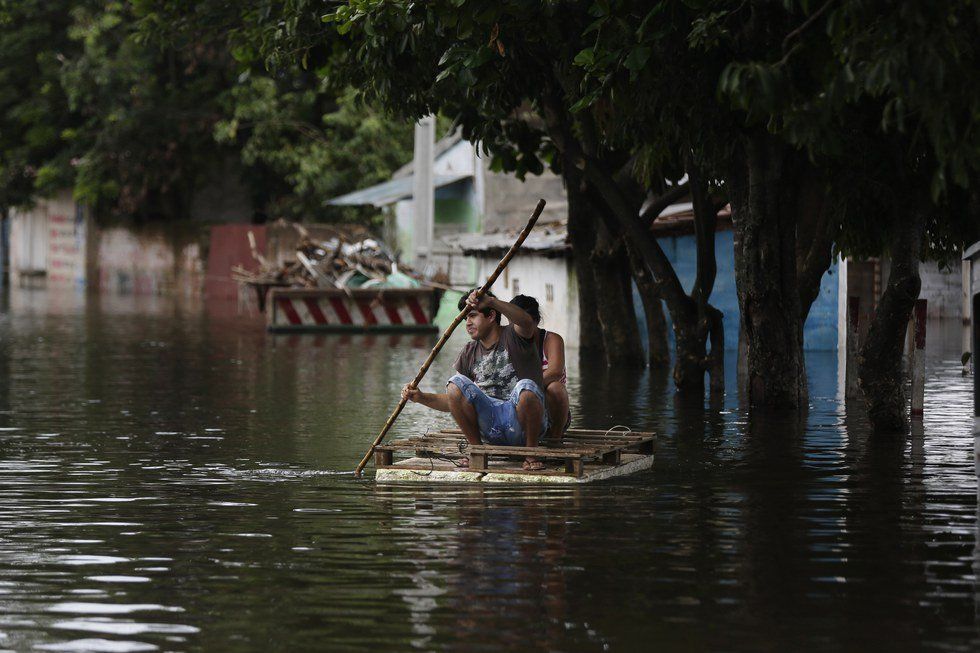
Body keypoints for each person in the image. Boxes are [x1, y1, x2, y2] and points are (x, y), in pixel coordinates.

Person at [401, 289, 549, 470]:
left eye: (472, 316)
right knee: (455, 384)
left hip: (524, 424)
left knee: (526, 388)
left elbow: (526, 321)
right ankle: (477, 450)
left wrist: (491, 301)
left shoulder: (515, 334)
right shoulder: (468, 352)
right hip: (491, 428)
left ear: (491, 316)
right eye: (465, 319)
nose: (468, 323)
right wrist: (421, 398)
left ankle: (530, 454)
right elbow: (455, 400)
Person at [509, 295, 570, 444]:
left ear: (535, 321)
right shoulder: (507, 341)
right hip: (517, 411)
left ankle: (554, 438)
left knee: (555, 387)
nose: (520, 327)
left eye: (525, 322)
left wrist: (527, 389)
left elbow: (555, 371)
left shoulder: (552, 340)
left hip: (550, 413)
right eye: (516, 323)